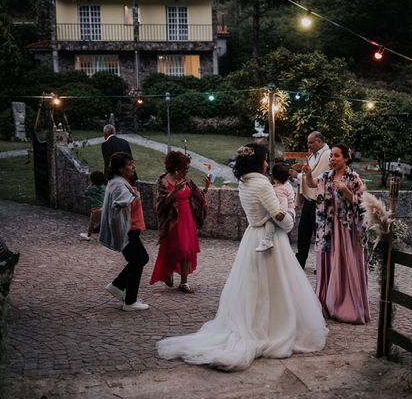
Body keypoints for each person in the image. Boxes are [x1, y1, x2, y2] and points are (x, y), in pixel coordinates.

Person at [157, 143, 327, 371]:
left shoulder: (244, 181)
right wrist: (290, 211)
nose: (268, 163)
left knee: (254, 286)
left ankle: (257, 321)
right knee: (274, 287)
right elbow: (283, 223)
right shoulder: (262, 185)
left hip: (252, 236)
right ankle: (272, 328)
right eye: (266, 159)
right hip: (269, 242)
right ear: (258, 161)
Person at [303, 143, 370, 324]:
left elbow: (362, 203)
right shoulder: (326, 176)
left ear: (346, 158)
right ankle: (327, 302)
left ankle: (346, 304)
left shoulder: (354, 178)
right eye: (331, 156)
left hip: (346, 229)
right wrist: (308, 173)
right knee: (329, 261)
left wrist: (345, 190)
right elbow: (311, 184)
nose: (332, 159)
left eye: (336, 156)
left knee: (345, 262)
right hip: (327, 228)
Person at [149, 151, 208, 294]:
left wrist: (206, 188)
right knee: (175, 248)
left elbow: (197, 197)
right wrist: (173, 192)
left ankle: (184, 282)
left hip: (187, 218)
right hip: (172, 221)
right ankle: (168, 270)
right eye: (185, 168)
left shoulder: (187, 180)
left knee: (187, 249)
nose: (187, 171)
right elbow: (160, 204)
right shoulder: (163, 180)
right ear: (176, 168)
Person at [99, 152, 150, 311]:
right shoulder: (119, 184)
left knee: (140, 259)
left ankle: (117, 286)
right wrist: (134, 197)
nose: (133, 167)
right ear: (120, 169)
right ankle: (130, 302)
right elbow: (120, 202)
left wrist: (133, 196)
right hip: (128, 231)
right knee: (139, 260)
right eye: (129, 164)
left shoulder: (118, 182)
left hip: (131, 229)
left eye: (132, 163)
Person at [294, 131, 331, 269]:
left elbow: (319, 176)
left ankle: (320, 264)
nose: (308, 145)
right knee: (304, 231)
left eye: (311, 142)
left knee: (319, 232)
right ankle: (300, 260)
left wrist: (297, 176)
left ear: (319, 142)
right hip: (309, 199)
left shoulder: (327, 155)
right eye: (308, 142)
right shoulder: (313, 155)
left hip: (319, 200)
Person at [256, 163, 295, 252]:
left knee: (269, 221)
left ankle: (267, 240)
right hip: (290, 212)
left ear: (274, 176)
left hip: (286, 213)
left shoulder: (280, 189)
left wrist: (282, 212)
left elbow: (284, 202)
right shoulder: (286, 186)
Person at [79, 171, 105, 241]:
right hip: (104, 208)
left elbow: (86, 193)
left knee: (92, 222)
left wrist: (90, 185)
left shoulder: (92, 188)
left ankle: (88, 235)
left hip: (96, 209)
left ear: (92, 180)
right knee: (104, 222)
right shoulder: (104, 188)